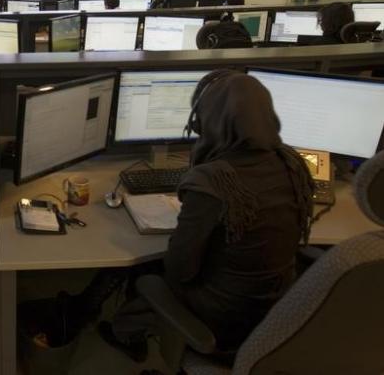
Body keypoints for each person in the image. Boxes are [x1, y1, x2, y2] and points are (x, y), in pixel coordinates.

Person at [91, 70, 314, 360]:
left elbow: (180, 269)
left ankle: (127, 333)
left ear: (203, 122)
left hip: (224, 320)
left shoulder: (214, 181)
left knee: (143, 271)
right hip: (276, 309)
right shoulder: (292, 163)